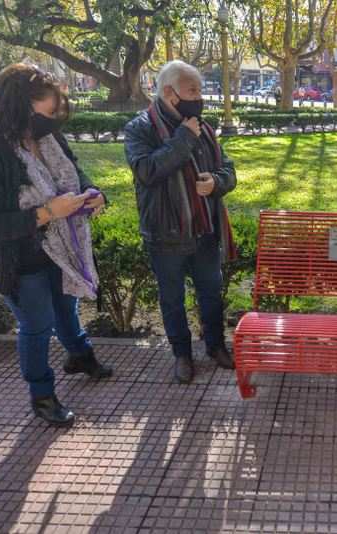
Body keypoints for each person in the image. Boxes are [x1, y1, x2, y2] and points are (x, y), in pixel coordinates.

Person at [0, 64, 112, 428]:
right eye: (48, 112)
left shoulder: (47, 136)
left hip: (62, 247)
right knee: (37, 324)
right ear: (19, 107)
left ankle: (79, 355)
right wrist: (46, 212)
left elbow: (74, 172)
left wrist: (94, 193)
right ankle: (42, 395)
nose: (54, 121)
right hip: (17, 256)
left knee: (67, 307)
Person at [124, 60, 237, 384]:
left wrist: (216, 183)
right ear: (170, 93)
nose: (199, 97)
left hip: (204, 230)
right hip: (166, 234)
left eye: (200, 90)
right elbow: (147, 171)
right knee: (172, 298)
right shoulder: (140, 128)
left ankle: (215, 346)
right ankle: (182, 354)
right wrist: (184, 138)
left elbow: (229, 170)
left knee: (211, 293)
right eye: (193, 90)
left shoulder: (203, 126)